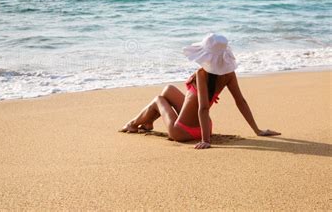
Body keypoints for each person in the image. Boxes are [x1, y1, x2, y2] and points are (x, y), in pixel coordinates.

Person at [119, 33, 281, 150]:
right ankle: (147, 122)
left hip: (182, 131)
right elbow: (241, 101)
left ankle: (133, 124)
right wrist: (257, 130)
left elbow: (203, 107)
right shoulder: (228, 74)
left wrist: (206, 140)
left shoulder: (201, 74)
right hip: (205, 126)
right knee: (168, 89)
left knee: (158, 99)